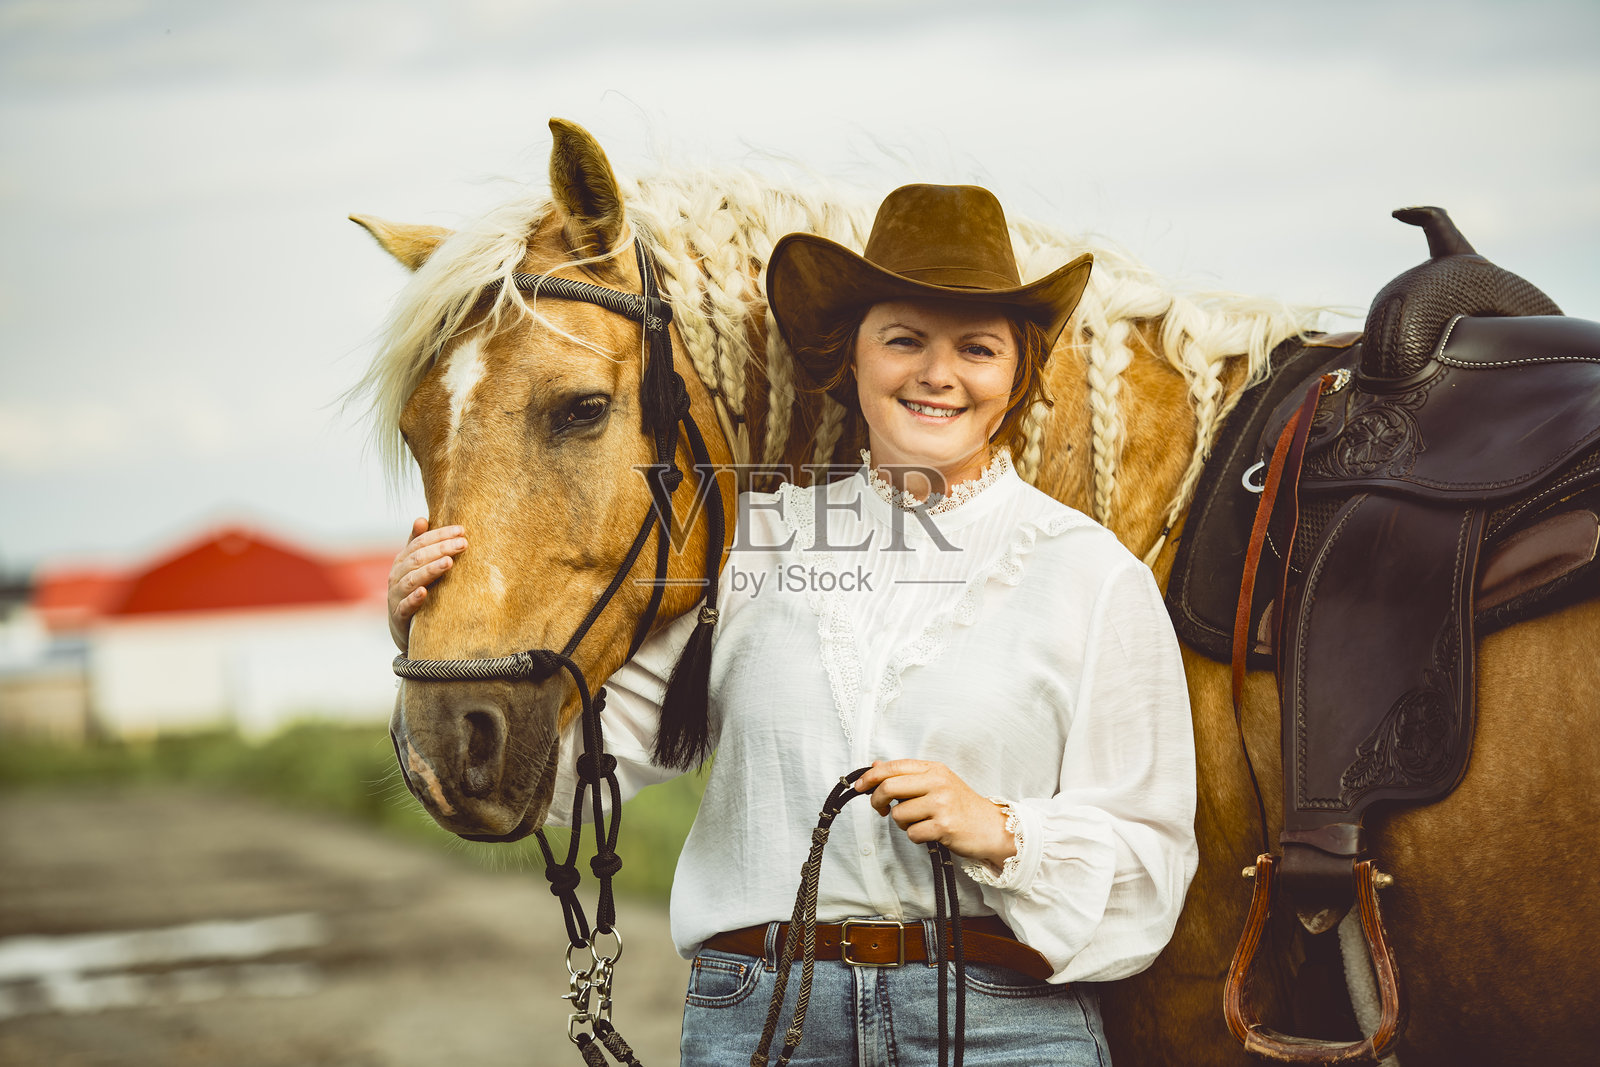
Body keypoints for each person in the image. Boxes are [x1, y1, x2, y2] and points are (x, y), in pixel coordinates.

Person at [388, 184, 1197, 1065]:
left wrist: (999, 827)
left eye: (978, 347)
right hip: (766, 1018)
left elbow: (1148, 869)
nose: (938, 372)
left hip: (1000, 1022)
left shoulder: (1090, 573)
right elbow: (558, 780)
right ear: (852, 357)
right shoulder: (750, 547)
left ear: (1018, 373)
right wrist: (442, 642)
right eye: (904, 339)